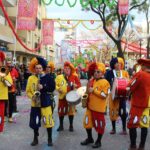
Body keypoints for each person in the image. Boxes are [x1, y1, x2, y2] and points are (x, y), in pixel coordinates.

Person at [26, 57, 55, 146]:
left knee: (48, 121)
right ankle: (35, 138)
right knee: (35, 122)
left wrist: (44, 87)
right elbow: (28, 91)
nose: (38, 70)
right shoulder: (31, 78)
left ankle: (49, 138)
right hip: (35, 104)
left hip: (45, 103)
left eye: (40, 68)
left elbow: (52, 88)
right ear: (34, 69)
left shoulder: (48, 77)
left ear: (43, 69)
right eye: (36, 68)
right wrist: (32, 97)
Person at [127, 58, 150, 150]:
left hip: (138, 104)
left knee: (132, 124)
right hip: (148, 105)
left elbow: (130, 86)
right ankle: (142, 146)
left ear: (144, 66)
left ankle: (133, 146)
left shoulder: (140, 74)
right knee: (144, 125)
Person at [105, 57, 129, 134]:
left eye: (119, 63)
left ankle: (124, 129)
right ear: (113, 64)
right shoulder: (109, 73)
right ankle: (113, 128)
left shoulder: (124, 72)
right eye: (116, 63)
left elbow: (128, 82)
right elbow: (105, 83)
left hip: (122, 96)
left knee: (123, 112)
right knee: (113, 111)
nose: (118, 64)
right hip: (113, 95)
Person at [56, 61, 81, 132]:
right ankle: (61, 126)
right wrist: (58, 89)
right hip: (62, 97)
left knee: (71, 112)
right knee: (61, 111)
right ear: (63, 69)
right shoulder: (59, 77)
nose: (67, 70)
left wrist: (76, 86)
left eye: (68, 69)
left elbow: (79, 85)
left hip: (71, 98)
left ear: (71, 70)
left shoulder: (74, 77)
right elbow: (56, 85)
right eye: (65, 68)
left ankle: (71, 125)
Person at [0, 51, 13, 132]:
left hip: (1, 97)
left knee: (0, 115)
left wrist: (4, 76)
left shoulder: (5, 70)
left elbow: (9, 84)